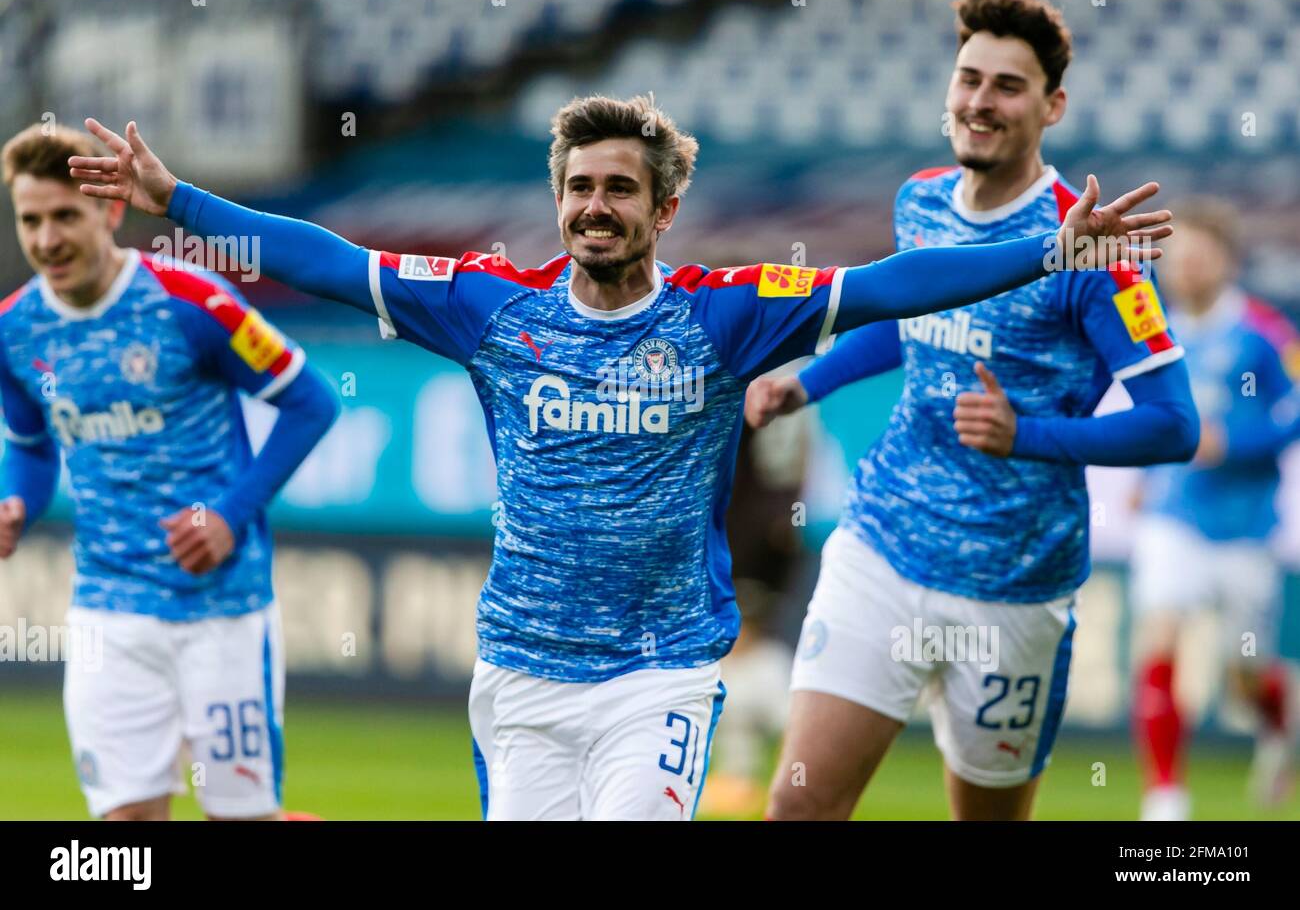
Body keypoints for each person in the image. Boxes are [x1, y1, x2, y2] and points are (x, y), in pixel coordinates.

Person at [68, 96, 1170, 820]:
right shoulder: (485, 306)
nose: (595, 207)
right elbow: (324, 257)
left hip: (659, 672)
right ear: (558, 197)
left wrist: (1049, 249)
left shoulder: (728, 315)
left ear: (664, 206)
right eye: (579, 187)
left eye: (619, 190)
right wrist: (179, 204)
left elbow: (889, 285)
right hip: (519, 672)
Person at [746, 0, 1198, 820]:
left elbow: (1175, 426)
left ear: (1053, 105)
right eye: (968, 79)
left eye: (1007, 85)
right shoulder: (919, 200)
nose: (980, 102)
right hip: (882, 547)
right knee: (798, 807)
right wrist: (805, 379)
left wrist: (1025, 434)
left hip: (1015, 584)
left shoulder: (1092, 247)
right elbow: (903, 324)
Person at [0, 123, 339, 820]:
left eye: (65, 215)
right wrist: (15, 503)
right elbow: (33, 447)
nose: (46, 239)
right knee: (126, 831)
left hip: (221, 608)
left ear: (110, 210)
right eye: (30, 221)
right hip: (108, 614)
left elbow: (311, 402)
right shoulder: (13, 331)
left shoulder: (192, 303)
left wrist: (228, 515)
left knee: (238, 817)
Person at [1130, 197, 1300, 819]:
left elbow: (1292, 414)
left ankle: (1279, 730)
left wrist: (1233, 444)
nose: (1186, 270)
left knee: (1245, 671)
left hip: (1245, 526)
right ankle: (1165, 795)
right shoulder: (1156, 329)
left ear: (1228, 262)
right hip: (1172, 516)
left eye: (1200, 258)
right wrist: (1146, 472)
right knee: (1160, 637)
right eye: (1177, 259)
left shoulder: (1265, 334)